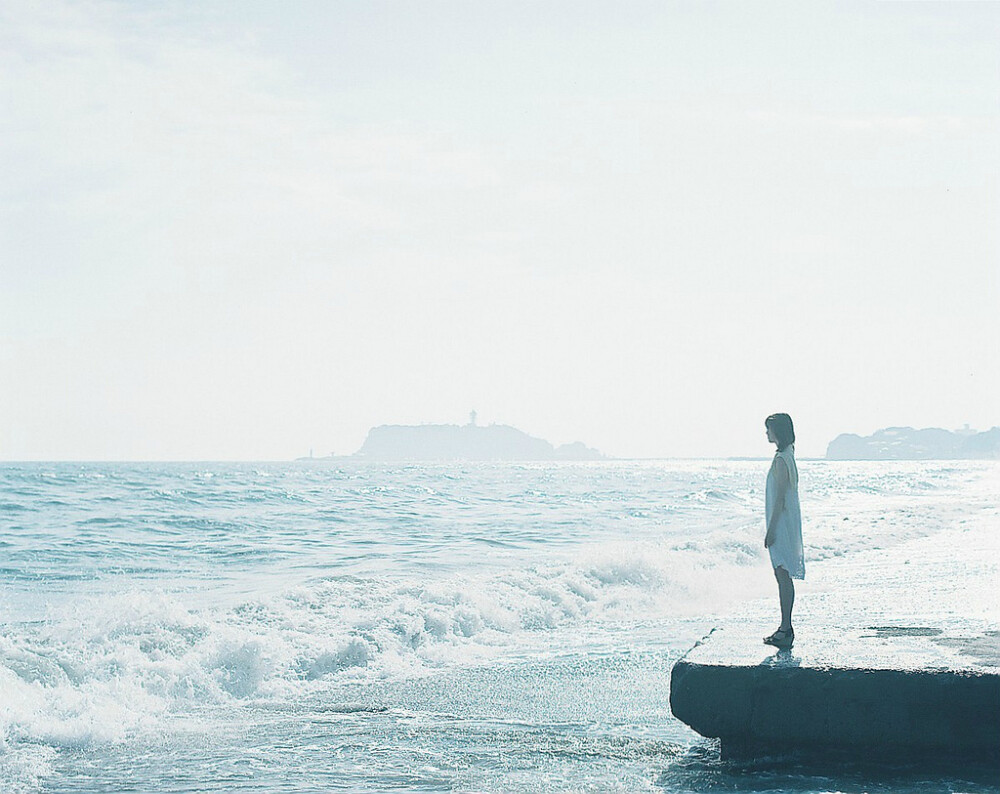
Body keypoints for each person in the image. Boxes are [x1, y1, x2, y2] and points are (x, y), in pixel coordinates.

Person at [763, 413, 804, 648]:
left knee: (782, 575)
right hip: (788, 523)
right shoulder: (789, 455)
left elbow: (779, 499)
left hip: (782, 525)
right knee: (784, 575)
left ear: (777, 431)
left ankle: (785, 628)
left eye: (769, 429)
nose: (766, 434)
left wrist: (771, 531)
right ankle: (785, 627)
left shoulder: (781, 460)